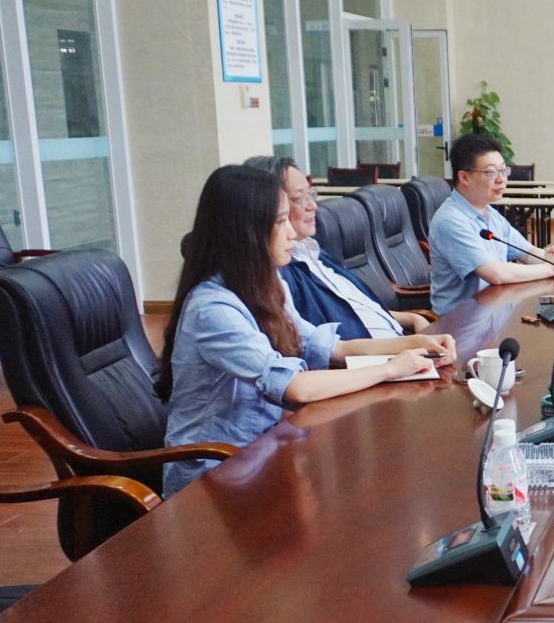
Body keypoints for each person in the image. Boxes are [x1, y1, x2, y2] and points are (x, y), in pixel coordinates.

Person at [156, 166, 455, 496]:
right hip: (214, 476)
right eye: (280, 221)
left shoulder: (266, 284)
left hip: (263, 453)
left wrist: (412, 342)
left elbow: (332, 348)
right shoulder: (213, 308)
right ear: (247, 232)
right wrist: (390, 369)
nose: (291, 233)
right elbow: (295, 387)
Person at [243, 155, 431, 340]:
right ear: (268, 207)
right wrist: (407, 346)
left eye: (311, 194)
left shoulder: (313, 251)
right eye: (299, 198)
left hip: (401, 342)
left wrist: (411, 319)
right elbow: (323, 347)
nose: (313, 206)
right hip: (377, 355)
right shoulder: (279, 275)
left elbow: (356, 308)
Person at [430, 133, 554, 314]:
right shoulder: (450, 221)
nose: (502, 179)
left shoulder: (490, 213)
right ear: (464, 177)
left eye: (503, 170)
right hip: (459, 322)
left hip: (494, 310)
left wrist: (550, 258)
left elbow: (527, 253)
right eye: (491, 172)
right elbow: (496, 274)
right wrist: (550, 268)